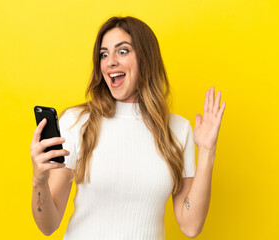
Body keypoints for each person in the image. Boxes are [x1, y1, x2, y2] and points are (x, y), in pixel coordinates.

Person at [30, 16, 226, 239]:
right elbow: (48, 225)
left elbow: (191, 226)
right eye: (104, 54)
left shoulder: (178, 129)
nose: (110, 61)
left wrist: (208, 151)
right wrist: (39, 180)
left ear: (146, 59)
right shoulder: (77, 122)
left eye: (122, 51)